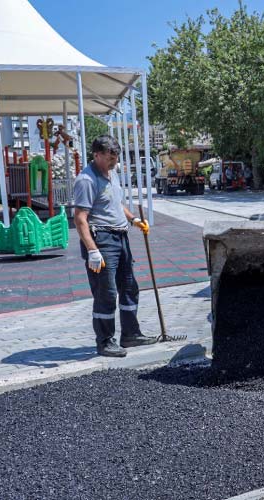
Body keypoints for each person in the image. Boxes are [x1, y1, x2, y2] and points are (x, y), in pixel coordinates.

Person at [72, 135, 158, 357]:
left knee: (129, 287)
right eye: (110, 158)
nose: (114, 162)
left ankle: (130, 334)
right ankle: (105, 341)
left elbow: (116, 204)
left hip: (121, 237)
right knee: (106, 292)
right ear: (97, 155)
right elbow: (80, 218)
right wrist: (92, 251)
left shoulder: (112, 174)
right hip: (101, 239)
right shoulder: (86, 180)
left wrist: (134, 220)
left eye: (116, 158)